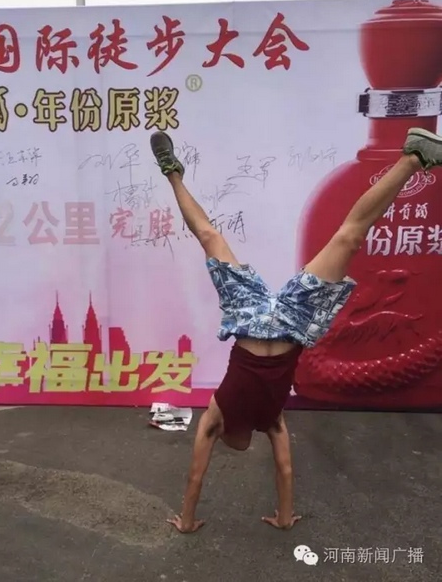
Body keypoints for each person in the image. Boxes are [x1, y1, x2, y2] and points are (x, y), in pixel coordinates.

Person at [149, 128, 442, 534]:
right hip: (291, 320)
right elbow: (284, 469)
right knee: (349, 236)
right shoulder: (271, 421)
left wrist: (186, 521)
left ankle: (172, 172)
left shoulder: (216, 416)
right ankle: (414, 157)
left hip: (250, 314)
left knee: (211, 235)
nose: (239, 446)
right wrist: (284, 518)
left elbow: (196, 476)